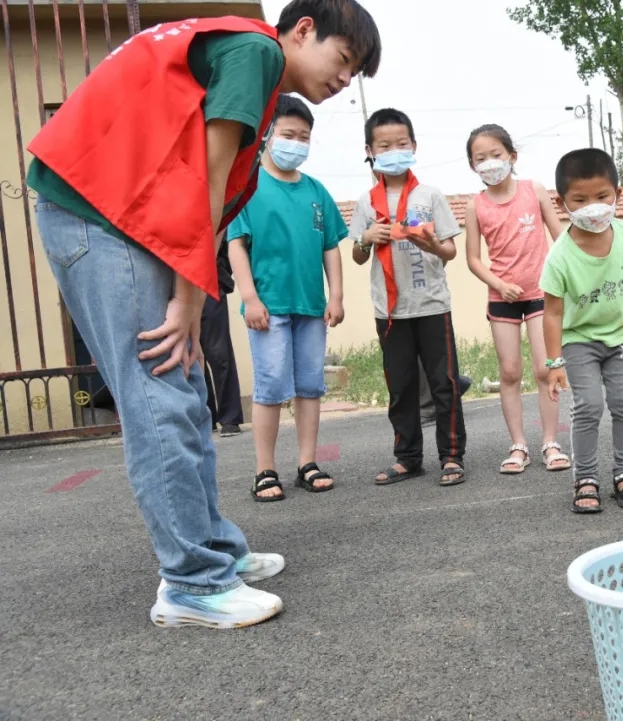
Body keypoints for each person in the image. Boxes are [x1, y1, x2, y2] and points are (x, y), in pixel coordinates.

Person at [25, 0, 381, 628]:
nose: (343, 79)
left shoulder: (248, 60)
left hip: (119, 214)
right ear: (302, 31)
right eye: (343, 59)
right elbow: (207, 178)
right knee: (159, 390)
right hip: (99, 213)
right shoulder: (259, 52)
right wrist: (191, 296)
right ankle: (190, 583)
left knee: (184, 390)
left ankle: (213, 547)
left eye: (354, 73)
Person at [228, 95, 348, 500]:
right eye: (287, 134)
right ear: (267, 135)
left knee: (310, 386)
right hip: (269, 307)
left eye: (303, 137)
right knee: (271, 387)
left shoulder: (316, 191)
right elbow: (235, 244)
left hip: (311, 307)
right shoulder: (247, 186)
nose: (295, 143)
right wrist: (250, 297)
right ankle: (265, 470)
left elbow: (331, 245)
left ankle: (307, 463)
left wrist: (337, 297)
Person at [350, 108, 467, 487]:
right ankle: (407, 458)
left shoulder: (429, 195)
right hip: (389, 310)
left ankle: (452, 457)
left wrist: (432, 243)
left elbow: (450, 251)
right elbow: (356, 254)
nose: (394, 151)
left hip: (432, 305)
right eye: (384, 146)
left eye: (401, 144)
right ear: (370, 150)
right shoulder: (367, 203)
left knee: (444, 383)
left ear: (414, 145)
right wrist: (366, 239)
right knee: (400, 387)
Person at [541, 148, 623, 514]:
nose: (594, 206)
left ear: (617, 196)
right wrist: (554, 361)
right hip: (579, 341)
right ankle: (585, 478)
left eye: (603, 197)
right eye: (581, 199)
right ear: (563, 204)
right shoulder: (560, 256)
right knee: (588, 405)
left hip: (622, 335)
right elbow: (552, 312)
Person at [463, 123, 570, 473]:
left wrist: (568, 279)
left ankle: (551, 443)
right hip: (502, 299)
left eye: (496, 154)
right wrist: (499, 283)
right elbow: (474, 260)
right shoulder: (475, 206)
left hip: (541, 294)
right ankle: (518, 445)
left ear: (512, 156)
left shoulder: (533, 190)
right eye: (481, 158)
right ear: (472, 166)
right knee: (510, 372)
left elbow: (561, 238)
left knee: (546, 368)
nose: (490, 162)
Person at [202, 239, 245, 437]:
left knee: (219, 352)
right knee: (189, 353)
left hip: (209, 281)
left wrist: (220, 271)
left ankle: (230, 417)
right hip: (176, 282)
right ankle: (205, 416)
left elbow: (227, 239)